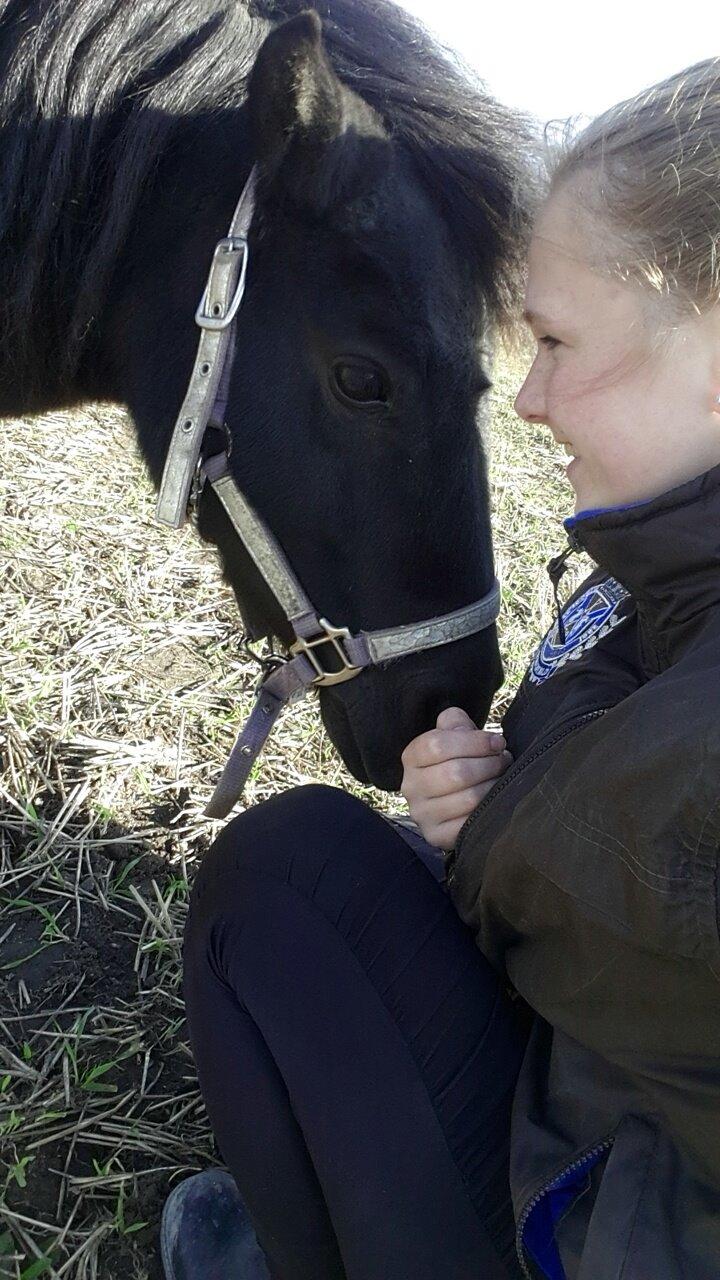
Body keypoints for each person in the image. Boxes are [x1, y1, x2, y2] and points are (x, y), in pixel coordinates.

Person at [160, 57, 720, 1280]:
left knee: (288, 875)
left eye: (559, 340)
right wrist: (507, 784)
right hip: (621, 1110)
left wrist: (488, 829)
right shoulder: (670, 557)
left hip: (611, 1227)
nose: (524, 398)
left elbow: (561, 880)